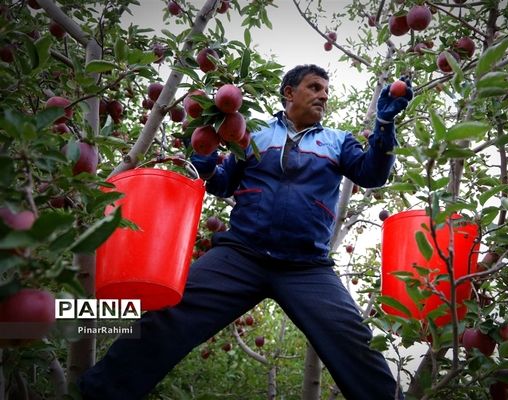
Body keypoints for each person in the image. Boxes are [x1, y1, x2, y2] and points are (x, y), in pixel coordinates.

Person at [79, 64, 413, 399]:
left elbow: (372, 174)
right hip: (241, 254)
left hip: (306, 266)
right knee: (167, 316)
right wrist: (206, 159)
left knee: (353, 340)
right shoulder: (254, 132)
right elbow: (224, 184)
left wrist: (385, 124)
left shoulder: (337, 141)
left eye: (325, 91)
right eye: (314, 87)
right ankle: (98, 393)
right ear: (289, 93)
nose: (323, 95)